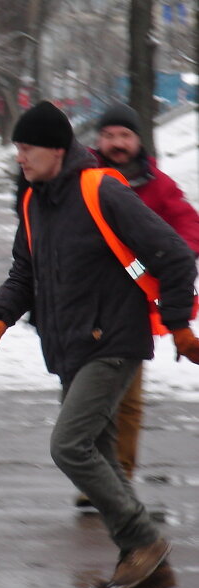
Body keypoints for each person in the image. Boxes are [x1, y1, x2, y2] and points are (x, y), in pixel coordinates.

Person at [0, 101, 199, 588]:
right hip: (69, 346)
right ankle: (145, 563)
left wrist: (179, 324)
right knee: (99, 452)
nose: (20, 158)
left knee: (69, 446)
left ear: (57, 149)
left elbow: (175, 255)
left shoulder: (101, 189)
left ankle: (143, 541)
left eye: (27, 148)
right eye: (17, 149)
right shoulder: (36, 202)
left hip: (113, 340)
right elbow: (25, 271)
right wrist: (0, 315)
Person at [85, 103, 199, 505]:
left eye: (125, 136)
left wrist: (170, 258)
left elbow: (188, 226)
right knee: (82, 396)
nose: (117, 143)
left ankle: (118, 480)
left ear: (137, 141)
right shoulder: (81, 180)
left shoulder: (160, 186)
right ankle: (95, 478)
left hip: (134, 306)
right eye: (110, 135)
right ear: (98, 140)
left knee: (126, 398)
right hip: (84, 303)